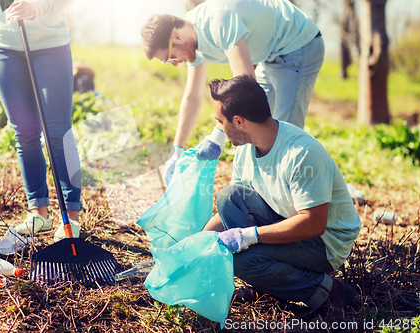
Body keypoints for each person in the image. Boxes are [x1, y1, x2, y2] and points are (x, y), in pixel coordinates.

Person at [202, 75, 360, 319]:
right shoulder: (246, 151)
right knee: (228, 198)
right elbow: (229, 213)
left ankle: (327, 292)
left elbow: (314, 223)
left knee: (239, 263)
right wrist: (197, 245)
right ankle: (270, 281)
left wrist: (250, 236)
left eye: (220, 122)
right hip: (286, 220)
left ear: (238, 121)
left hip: (325, 243)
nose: (219, 129)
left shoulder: (301, 153)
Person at [141, 0, 325, 185]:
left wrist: (217, 137)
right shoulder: (190, 39)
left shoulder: (218, 19)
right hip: (270, 55)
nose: (174, 63)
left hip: (298, 44)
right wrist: (177, 152)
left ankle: (320, 191)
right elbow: (193, 96)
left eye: (170, 57)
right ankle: (250, 191)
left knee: (282, 136)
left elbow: (246, 87)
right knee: (249, 127)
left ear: (176, 37)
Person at [0, 0, 82, 241]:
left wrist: (36, 8)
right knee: (25, 133)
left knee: (58, 133)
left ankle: (71, 220)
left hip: (50, 45)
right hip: (5, 46)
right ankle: (38, 214)